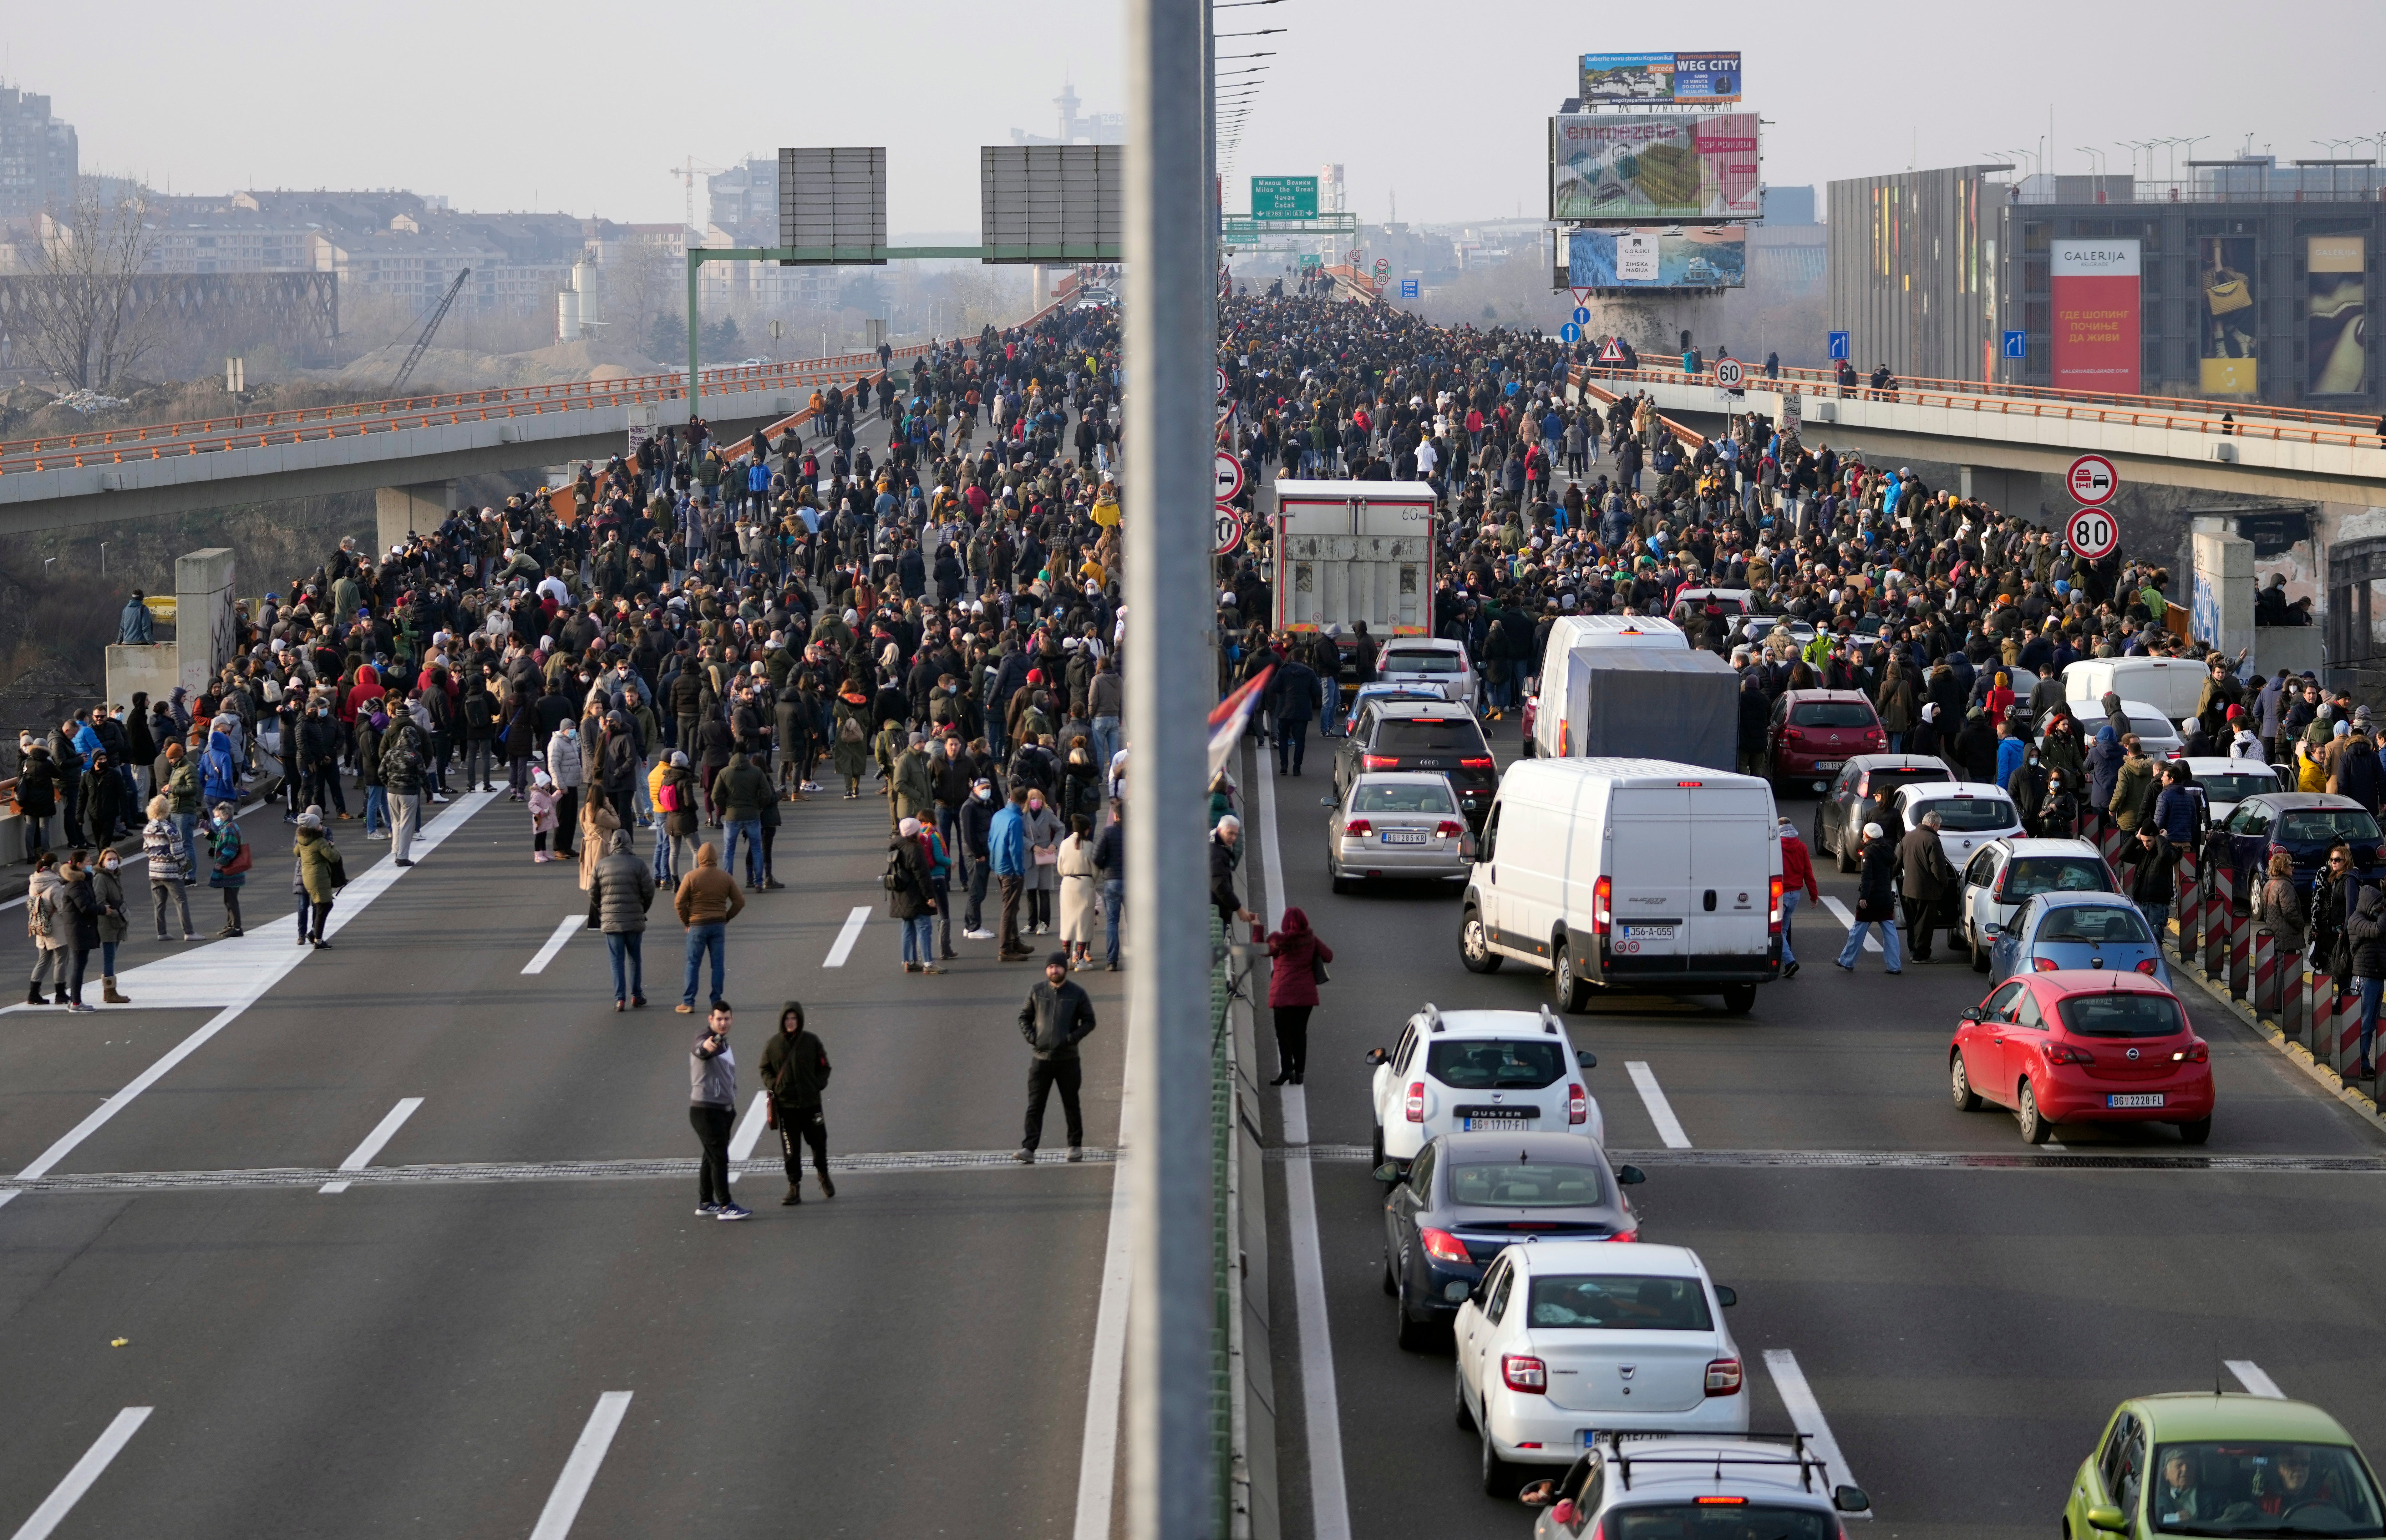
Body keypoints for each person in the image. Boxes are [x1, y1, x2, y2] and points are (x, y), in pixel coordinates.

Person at [1014, 951, 1098, 1164]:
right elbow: (1024, 1017)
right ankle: (1029, 1149)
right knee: (1035, 1105)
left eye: (1058, 967)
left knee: (1071, 1104)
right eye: (1051, 967)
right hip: (1041, 1059)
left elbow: (1090, 1021)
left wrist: (1071, 1039)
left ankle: (1075, 1146)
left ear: (1065, 969)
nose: (1054, 970)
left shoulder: (1077, 993)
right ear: (1047, 970)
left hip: (1068, 1060)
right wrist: (1033, 1038)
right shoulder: (1037, 991)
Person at [759, 1000, 834, 1205]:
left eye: (794, 1019)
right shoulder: (774, 1045)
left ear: (800, 1020)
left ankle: (823, 1174)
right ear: (782, 1021)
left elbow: (825, 1066)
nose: (791, 1022)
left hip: (811, 1105)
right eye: (787, 1019)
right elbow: (764, 1068)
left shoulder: (812, 1042)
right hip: (787, 1107)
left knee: (819, 1143)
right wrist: (774, 1085)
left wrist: (817, 1085)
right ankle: (794, 1187)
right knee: (791, 1149)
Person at [688, 1002, 750, 1220]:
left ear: (732, 1019)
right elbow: (700, 1049)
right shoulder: (706, 1038)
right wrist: (706, 1047)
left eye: (727, 1019)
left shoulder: (724, 1042)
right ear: (710, 1020)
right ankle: (726, 1205)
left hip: (721, 1110)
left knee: (710, 1156)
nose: (723, 1023)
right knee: (720, 1158)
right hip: (707, 1110)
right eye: (719, 1019)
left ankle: (706, 1202)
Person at [1262, 906, 1333, 1084]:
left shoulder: (1278, 941)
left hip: (1282, 995)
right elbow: (1329, 956)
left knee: (1283, 1034)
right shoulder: (1311, 939)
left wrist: (1257, 926)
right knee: (1300, 1033)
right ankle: (1300, 1073)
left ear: (1285, 923)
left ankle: (1287, 1071)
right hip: (1305, 997)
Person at [673, 841, 745, 1012]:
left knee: (693, 964)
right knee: (718, 965)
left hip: (697, 925)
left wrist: (687, 922)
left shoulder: (691, 877)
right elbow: (740, 902)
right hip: (718, 925)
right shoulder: (725, 877)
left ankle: (689, 1002)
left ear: (699, 858)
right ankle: (716, 1002)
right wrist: (726, 917)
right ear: (715, 858)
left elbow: (679, 902)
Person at [591, 827, 656, 1011]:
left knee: (616, 960)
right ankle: (637, 995)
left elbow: (593, 893)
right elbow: (649, 891)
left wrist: (603, 910)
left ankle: (620, 999)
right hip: (634, 919)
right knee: (635, 958)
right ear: (629, 843)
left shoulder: (601, 865)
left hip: (612, 920)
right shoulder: (639, 864)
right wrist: (643, 909)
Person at [1836, 822, 1904, 973]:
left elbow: (1867, 877)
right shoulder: (1888, 850)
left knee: (1858, 930)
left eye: (1864, 834)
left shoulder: (1868, 852)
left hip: (1871, 898)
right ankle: (1894, 966)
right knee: (1890, 932)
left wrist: (1863, 897)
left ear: (1868, 836)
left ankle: (1847, 960)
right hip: (1886, 897)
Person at [1898, 811, 1957, 962]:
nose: (1939, 829)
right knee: (1924, 925)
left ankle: (1913, 951)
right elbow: (1937, 866)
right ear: (1933, 825)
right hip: (1927, 891)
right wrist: (1945, 883)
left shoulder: (1908, 837)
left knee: (1912, 923)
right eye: (1939, 827)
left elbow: (1897, 861)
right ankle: (1922, 955)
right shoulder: (1932, 840)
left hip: (1908, 889)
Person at [888, 815, 941, 973]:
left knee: (908, 926)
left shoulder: (895, 846)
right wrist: (930, 897)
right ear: (914, 833)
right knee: (924, 927)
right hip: (915, 895)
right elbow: (922, 876)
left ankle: (910, 961)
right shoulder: (915, 849)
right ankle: (928, 963)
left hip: (901, 895)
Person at [142, 795, 197, 942]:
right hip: (171, 871)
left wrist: (156, 860)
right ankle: (189, 932)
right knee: (181, 901)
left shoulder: (148, 828)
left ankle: (162, 932)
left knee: (159, 904)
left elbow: (146, 849)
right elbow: (178, 851)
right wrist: (183, 865)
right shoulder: (170, 828)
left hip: (154, 871)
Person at [2347, 879, 2386, 1080]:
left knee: (2370, 1024)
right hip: (2365, 978)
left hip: (2377, 977)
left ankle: (2363, 1063)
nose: (2381, 909)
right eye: (2378, 906)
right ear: (2369, 905)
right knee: (2363, 1023)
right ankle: (2357, 1065)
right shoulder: (2356, 920)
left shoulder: (2372, 918)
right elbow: (2377, 930)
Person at [990, 784, 1033, 961]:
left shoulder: (999, 815)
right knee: (1009, 909)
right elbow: (1016, 848)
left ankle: (1014, 941)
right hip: (1011, 869)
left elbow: (991, 840)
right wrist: (1019, 871)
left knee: (1012, 906)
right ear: (1024, 803)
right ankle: (1005, 949)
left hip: (999, 866)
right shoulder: (1016, 820)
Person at [57, 849, 101, 1012]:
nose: (91, 864)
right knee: (79, 966)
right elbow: (86, 907)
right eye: (88, 862)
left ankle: (75, 1001)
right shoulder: (76, 884)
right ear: (79, 865)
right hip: (79, 930)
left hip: (80, 929)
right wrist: (104, 910)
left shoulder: (81, 882)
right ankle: (76, 1002)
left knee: (80, 965)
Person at [24, 852, 69, 1006]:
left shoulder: (34, 883)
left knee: (43, 960)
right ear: (56, 866)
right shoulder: (55, 885)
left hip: (41, 927)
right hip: (57, 928)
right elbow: (63, 909)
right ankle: (61, 994)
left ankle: (34, 993)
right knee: (61, 960)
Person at [292, 808, 341, 949]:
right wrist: (332, 847)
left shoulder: (302, 840)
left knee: (316, 906)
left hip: (306, 875)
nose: (321, 826)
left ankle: (311, 934)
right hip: (319, 877)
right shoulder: (320, 841)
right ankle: (317, 939)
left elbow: (296, 852)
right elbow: (334, 857)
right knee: (324, 906)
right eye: (319, 824)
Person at [1019, 786, 1064, 936]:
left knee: (1044, 891)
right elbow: (1020, 835)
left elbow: (1061, 828)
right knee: (1031, 891)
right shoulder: (1023, 815)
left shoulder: (1048, 813)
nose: (1036, 801)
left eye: (1038, 798)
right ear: (1028, 801)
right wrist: (1032, 847)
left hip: (1045, 854)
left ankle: (1044, 923)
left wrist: (1054, 844)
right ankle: (1031, 923)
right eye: (1033, 798)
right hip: (1031, 855)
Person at [2121, 824, 2180, 938]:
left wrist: (2161, 838)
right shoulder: (2142, 852)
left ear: (2156, 839)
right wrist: (2137, 838)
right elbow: (2123, 855)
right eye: (2143, 841)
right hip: (2141, 903)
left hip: (2158, 906)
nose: (2146, 844)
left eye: (2149, 841)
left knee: (2155, 941)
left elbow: (2166, 856)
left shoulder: (2167, 850)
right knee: (2138, 940)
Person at [1777, 816, 1818, 979]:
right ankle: (1786, 956)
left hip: (1781, 894)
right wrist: (1814, 895)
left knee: (1776, 931)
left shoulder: (1777, 846)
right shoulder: (1801, 847)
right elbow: (1808, 873)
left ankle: (1789, 961)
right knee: (1784, 929)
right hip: (1796, 894)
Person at [1057, 813, 1100, 968]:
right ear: (1087, 829)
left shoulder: (1064, 844)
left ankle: (1066, 959)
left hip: (1068, 884)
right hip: (1085, 884)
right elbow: (1095, 870)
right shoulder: (1089, 846)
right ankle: (1080, 960)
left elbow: (1060, 868)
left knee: (1068, 922)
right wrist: (1091, 881)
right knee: (1084, 923)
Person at [1092, 798, 1126, 971]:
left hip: (1112, 880)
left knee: (1112, 922)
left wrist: (1107, 865)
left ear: (1115, 815)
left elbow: (1096, 857)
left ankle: (1112, 961)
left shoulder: (1107, 833)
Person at [207, 801, 249, 937]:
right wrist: (209, 833)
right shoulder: (227, 827)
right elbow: (219, 842)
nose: (216, 819)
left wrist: (221, 863)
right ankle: (231, 924)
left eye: (217, 816)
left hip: (232, 871)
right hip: (232, 872)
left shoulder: (229, 828)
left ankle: (237, 928)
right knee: (229, 899)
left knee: (231, 899)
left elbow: (231, 848)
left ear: (225, 815)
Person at [1211, 815, 1256, 932]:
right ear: (1220, 830)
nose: (1233, 838)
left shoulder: (1215, 846)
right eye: (1230, 833)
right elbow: (1220, 885)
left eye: (1236, 835)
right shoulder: (1217, 854)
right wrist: (1239, 908)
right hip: (1214, 915)